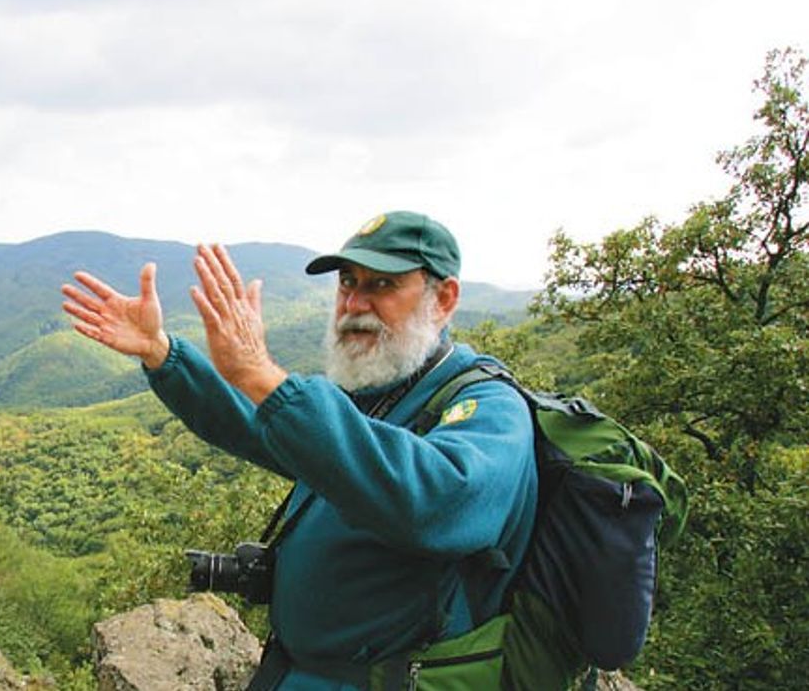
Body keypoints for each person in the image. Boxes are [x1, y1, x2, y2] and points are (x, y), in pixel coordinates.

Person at [60, 211, 538, 690]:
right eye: (347, 283)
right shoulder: (380, 390)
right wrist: (163, 355)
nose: (354, 303)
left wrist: (258, 372)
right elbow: (261, 428)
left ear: (444, 298)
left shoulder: (490, 406)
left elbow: (435, 503)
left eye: (382, 286)